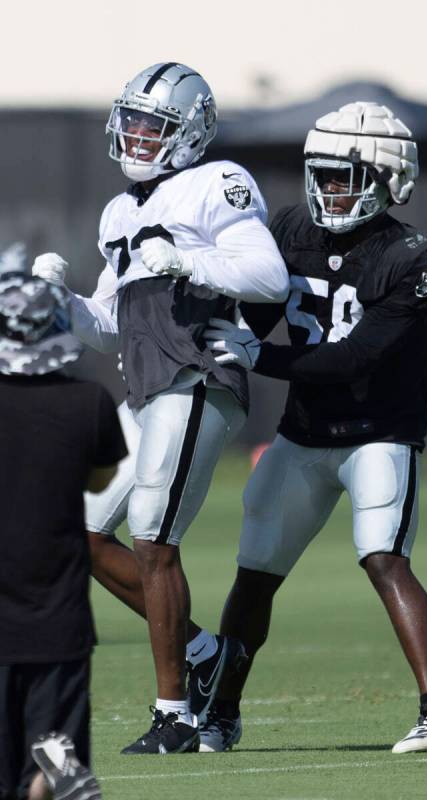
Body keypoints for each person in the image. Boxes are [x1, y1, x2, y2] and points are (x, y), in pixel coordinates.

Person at [32, 61, 289, 755]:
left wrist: (187, 260)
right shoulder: (120, 210)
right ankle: (205, 654)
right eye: (135, 122)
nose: (140, 137)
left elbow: (268, 277)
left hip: (199, 375)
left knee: (152, 534)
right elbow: (111, 322)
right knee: (73, 527)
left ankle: (175, 714)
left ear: (192, 132)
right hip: (147, 386)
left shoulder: (217, 182)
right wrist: (61, 305)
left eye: (157, 126)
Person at [201, 101, 427, 754]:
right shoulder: (291, 227)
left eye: (344, 176)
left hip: (379, 432)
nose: (329, 190)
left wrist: (256, 354)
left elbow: (356, 355)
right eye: (322, 175)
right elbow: (258, 313)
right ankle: (219, 714)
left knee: (383, 556)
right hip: (304, 432)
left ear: (387, 180)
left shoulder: (416, 257)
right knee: (255, 570)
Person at [0, 264, 127, 800]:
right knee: (53, 746)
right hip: (59, 608)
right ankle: (51, 767)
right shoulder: (88, 402)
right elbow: (100, 481)